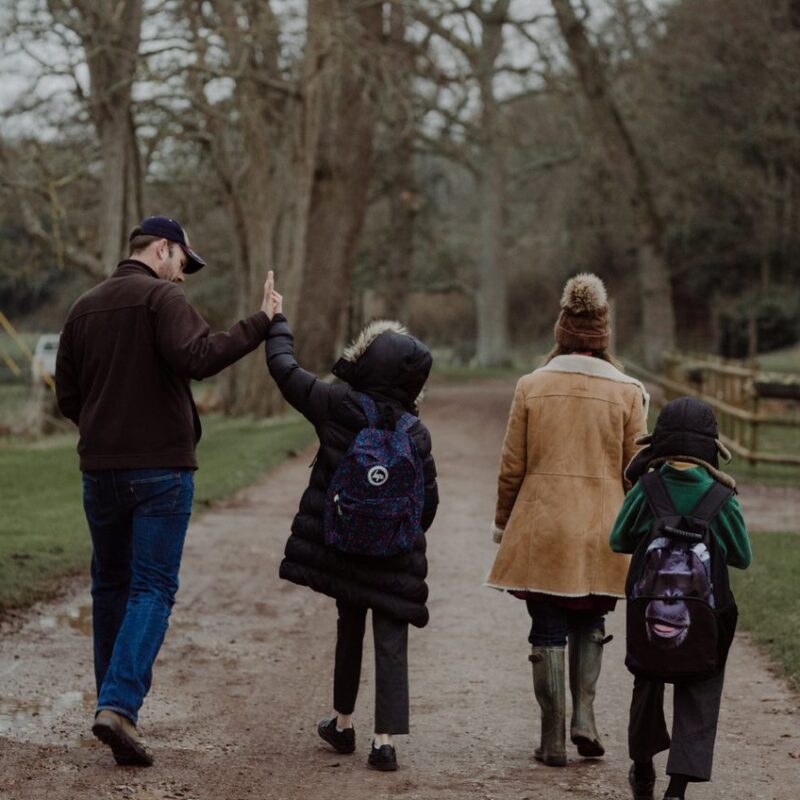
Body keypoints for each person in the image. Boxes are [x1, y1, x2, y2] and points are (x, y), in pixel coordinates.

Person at [55, 216, 278, 766]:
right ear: (162, 249)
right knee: (151, 588)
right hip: (159, 472)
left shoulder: (82, 308)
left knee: (110, 586)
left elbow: (66, 398)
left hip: (100, 471)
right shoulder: (161, 300)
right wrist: (263, 321)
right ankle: (119, 706)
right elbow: (200, 358)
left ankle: (113, 707)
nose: (182, 277)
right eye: (182, 263)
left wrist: (106, 426)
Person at [264, 287, 438, 772]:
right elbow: (430, 505)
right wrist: (398, 526)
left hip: (344, 544)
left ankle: (342, 723)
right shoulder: (415, 433)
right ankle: (384, 742)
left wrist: (276, 322)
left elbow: (285, 370)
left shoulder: (338, 405)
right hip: (394, 555)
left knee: (349, 625)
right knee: (390, 635)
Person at [486, 273, 649, 766]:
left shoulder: (532, 386)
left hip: (544, 526)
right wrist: (636, 532)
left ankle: (553, 736)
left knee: (548, 623)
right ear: (604, 336)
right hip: (604, 528)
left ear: (561, 330)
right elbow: (636, 473)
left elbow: (512, 465)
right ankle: (587, 717)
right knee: (592, 617)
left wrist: (502, 523)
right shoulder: (629, 392)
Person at [610, 397, 751, 800]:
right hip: (707, 616)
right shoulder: (721, 496)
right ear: (711, 446)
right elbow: (741, 557)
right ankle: (677, 788)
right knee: (701, 687)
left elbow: (617, 540)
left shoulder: (647, 488)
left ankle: (642, 767)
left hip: (650, 614)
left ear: (660, 443)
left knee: (647, 681)